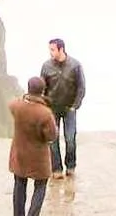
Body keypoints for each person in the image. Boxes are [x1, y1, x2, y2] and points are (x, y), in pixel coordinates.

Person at [8, 76, 59, 216]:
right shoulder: (45, 113)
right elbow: (51, 136)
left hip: (19, 153)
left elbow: (12, 104)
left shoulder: (16, 106)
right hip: (38, 157)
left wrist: (25, 98)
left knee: (19, 183)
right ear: (43, 91)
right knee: (41, 185)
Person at [38, 38, 86, 178]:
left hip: (69, 108)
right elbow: (42, 87)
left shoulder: (75, 65)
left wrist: (75, 106)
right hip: (52, 108)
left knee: (70, 139)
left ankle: (70, 166)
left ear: (61, 49)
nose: (50, 52)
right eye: (50, 49)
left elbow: (81, 87)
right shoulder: (46, 66)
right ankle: (56, 169)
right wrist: (43, 104)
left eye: (53, 49)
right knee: (52, 140)